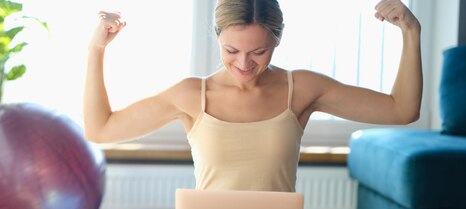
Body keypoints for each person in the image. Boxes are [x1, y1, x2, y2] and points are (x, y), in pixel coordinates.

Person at [84, 0, 421, 192]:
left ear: (277, 40)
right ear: (217, 37)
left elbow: (401, 110)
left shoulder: (301, 89)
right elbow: (100, 129)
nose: (244, 64)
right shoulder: (191, 95)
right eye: (231, 50)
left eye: (259, 51)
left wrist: (411, 32)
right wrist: (97, 48)